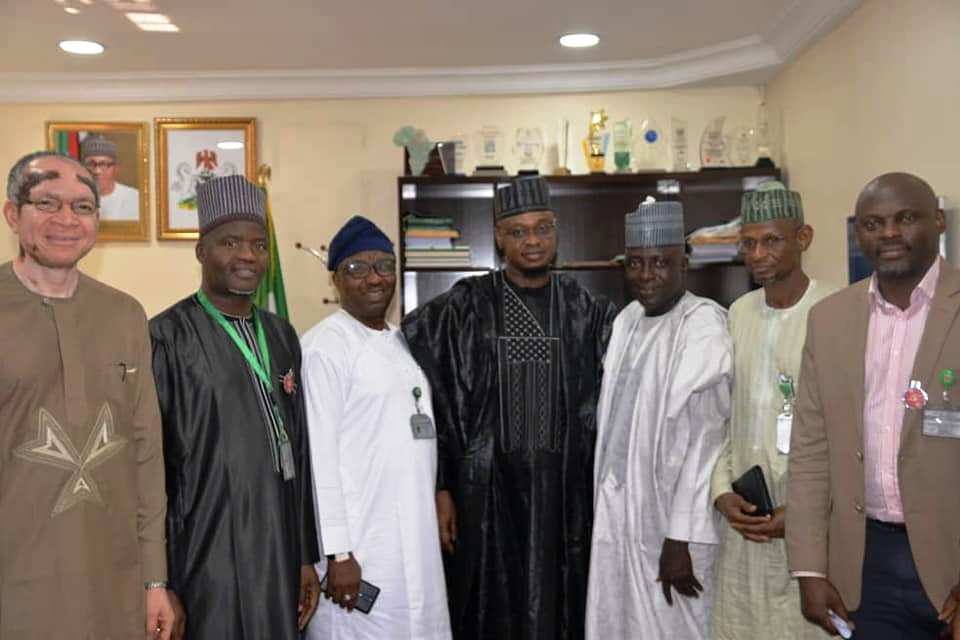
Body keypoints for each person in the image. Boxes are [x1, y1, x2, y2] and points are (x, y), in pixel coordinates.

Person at [402, 176, 617, 639]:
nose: (533, 241)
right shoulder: (464, 307)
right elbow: (418, 383)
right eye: (518, 232)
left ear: (556, 231)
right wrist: (439, 485)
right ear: (499, 237)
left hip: (565, 500)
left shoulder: (587, 309)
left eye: (542, 228)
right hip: (487, 498)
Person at [0, 150, 179, 638]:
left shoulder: (124, 315)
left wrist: (154, 579)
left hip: (114, 586)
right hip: (14, 584)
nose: (66, 220)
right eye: (47, 203)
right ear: (13, 214)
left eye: (82, 207)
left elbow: (146, 453)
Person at [786, 172, 960, 639]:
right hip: (867, 567)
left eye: (905, 218)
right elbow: (809, 453)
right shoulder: (829, 320)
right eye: (872, 223)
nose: (888, 234)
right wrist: (809, 568)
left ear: (938, 221)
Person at [150, 174, 320, 639]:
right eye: (230, 242)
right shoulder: (166, 336)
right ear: (201, 251)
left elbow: (300, 451)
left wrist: (306, 553)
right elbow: (152, 469)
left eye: (258, 244)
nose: (248, 255)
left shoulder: (282, 334)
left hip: (281, 541)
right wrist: (159, 580)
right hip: (207, 548)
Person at [586, 198, 732, 640]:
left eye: (660, 263)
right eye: (635, 264)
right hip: (621, 508)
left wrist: (680, 536)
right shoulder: (628, 320)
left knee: (674, 626)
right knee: (621, 619)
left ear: (684, 265)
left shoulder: (702, 325)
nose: (646, 276)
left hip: (674, 522)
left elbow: (710, 439)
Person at [301, 216, 452, 640]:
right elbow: (318, 460)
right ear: (335, 279)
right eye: (357, 268)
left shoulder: (399, 342)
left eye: (385, 266)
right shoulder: (324, 348)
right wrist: (338, 553)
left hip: (413, 544)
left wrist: (439, 490)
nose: (374, 278)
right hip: (360, 551)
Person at [710, 182, 835, 639]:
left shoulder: (835, 312)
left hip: (813, 526)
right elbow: (725, 418)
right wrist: (723, 492)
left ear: (803, 238)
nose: (758, 253)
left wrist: (804, 514)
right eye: (748, 242)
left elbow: (853, 435)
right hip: (745, 524)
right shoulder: (737, 314)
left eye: (772, 240)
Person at [80, 134, 139, 221]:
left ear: (115, 168)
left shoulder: (134, 198)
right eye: (91, 164)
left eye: (103, 164)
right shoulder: (74, 196)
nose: (97, 171)